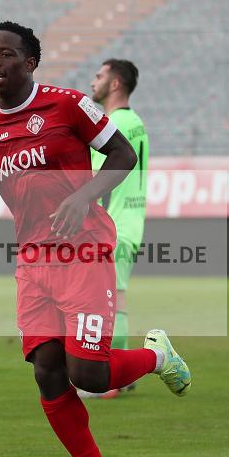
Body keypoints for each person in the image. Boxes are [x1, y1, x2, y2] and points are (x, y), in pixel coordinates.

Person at [0, 21, 191, 457]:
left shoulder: (68, 105)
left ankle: (157, 358)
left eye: (4, 54)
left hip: (84, 252)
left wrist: (84, 196)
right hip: (33, 261)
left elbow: (122, 154)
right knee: (47, 371)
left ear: (31, 62)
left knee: (88, 373)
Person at [77, 59, 149, 399]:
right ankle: (120, 374)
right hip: (132, 220)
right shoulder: (136, 121)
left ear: (115, 83)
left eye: (99, 76)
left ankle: (111, 379)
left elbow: (89, 176)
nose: (93, 81)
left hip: (113, 224)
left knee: (108, 301)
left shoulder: (114, 125)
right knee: (114, 298)